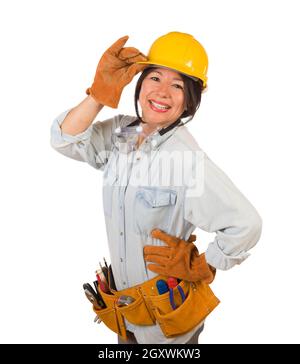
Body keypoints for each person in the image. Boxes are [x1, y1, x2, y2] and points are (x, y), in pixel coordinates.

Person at [50, 32, 262, 344]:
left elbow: (247, 224)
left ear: (189, 99)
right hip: (128, 316)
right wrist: (98, 94)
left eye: (177, 85)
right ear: (139, 83)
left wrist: (206, 264)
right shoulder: (123, 132)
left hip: (168, 330)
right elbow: (65, 139)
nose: (162, 92)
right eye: (155, 77)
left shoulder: (186, 159)